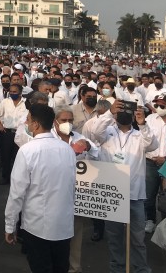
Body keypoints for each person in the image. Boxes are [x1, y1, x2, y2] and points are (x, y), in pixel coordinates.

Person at [4, 104, 76, 273]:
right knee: (60, 267)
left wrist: (9, 225)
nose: (27, 124)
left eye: (28, 121)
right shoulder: (67, 150)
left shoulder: (27, 151)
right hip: (63, 224)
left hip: (37, 225)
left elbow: (16, 193)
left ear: (36, 124)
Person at [92, 100, 157, 273]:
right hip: (111, 192)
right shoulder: (107, 132)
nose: (124, 113)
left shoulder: (139, 135)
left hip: (134, 194)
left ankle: (140, 268)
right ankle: (118, 268)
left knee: (137, 237)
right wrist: (109, 113)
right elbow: (95, 131)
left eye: (128, 110)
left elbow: (153, 145)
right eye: (121, 110)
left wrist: (143, 123)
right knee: (114, 236)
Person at [52, 106, 99, 273]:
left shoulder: (79, 137)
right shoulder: (49, 139)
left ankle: (74, 267)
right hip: (53, 195)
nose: (68, 123)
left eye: (70, 120)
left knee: (75, 234)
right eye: (63, 120)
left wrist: (87, 145)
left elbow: (96, 154)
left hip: (76, 196)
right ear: (55, 122)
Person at [144, 93, 166, 233]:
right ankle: (150, 220)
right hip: (150, 162)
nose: (158, 107)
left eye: (162, 105)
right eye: (156, 105)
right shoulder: (149, 119)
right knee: (149, 194)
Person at [0, 83, 26, 185]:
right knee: (6, 156)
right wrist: (0, 126)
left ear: (20, 92)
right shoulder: (5, 102)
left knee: (18, 157)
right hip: (7, 133)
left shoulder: (26, 103)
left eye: (14, 92)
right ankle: (5, 177)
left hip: (20, 133)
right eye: (10, 91)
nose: (12, 93)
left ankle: (17, 179)